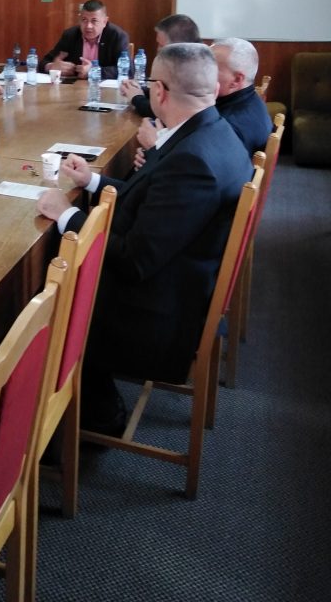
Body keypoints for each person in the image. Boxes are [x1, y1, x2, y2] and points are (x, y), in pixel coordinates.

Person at [36, 43, 253, 432]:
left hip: (156, 314)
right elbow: (157, 203)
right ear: (214, 89)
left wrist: (66, 213)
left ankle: (98, 414)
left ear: (160, 91)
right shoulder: (213, 132)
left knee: (43, 293)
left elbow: (134, 260)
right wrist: (93, 180)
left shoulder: (193, 161)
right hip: (180, 277)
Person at [134, 35, 272, 163]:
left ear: (236, 80)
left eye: (211, 67)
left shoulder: (233, 125)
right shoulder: (244, 100)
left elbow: (195, 169)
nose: (201, 71)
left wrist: (156, 147)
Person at [121, 13, 201, 116]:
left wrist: (136, 98)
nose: (158, 50)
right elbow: (165, 94)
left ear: (178, 45)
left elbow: (162, 112)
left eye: (161, 45)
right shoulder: (191, 58)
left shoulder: (193, 70)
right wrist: (139, 91)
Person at [41, 0, 130, 80]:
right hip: (74, 88)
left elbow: (129, 70)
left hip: (105, 89)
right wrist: (51, 67)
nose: (88, 26)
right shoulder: (70, 35)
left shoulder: (117, 36)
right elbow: (43, 63)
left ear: (105, 22)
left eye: (94, 21)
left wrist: (94, 72)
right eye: (84, 20)